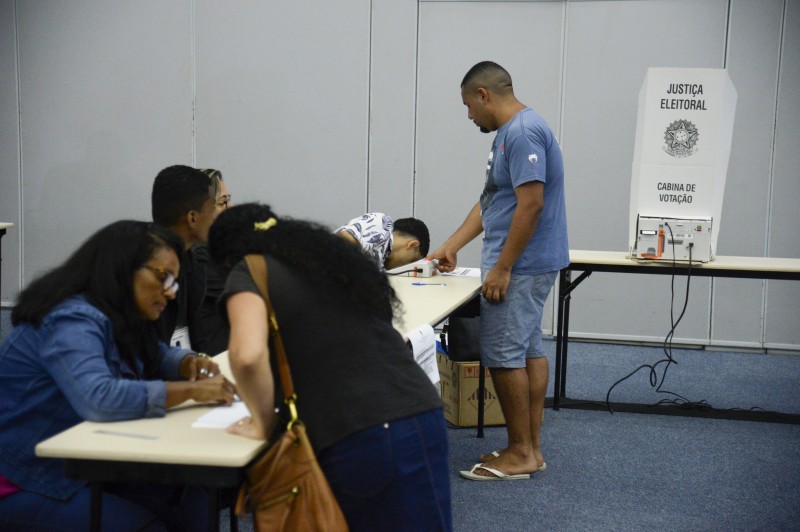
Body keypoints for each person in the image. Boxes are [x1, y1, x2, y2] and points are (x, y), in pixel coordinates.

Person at [208, 202, 452, 530]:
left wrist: (262, 423)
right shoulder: (335, 260)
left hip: (358, 433)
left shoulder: (250, 268)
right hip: (421, 411)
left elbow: (246, 356)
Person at [0, 220, 237, 530]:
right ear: (122, 269)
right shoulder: (71, 317)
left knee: (189, 500)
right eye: (162, 277)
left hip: (80, 465)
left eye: (174, 282)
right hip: (25, 478)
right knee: (145, 527)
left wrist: (187, 362)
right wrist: (191, 390)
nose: (170, 293)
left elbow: (154, 351)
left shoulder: (117, 313)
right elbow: (99, 399)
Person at [429, 61, 568, 481]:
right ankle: (529, 448)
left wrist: (503, 267)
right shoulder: (514, 133)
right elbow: (494, 201)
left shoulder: (522, 132)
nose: (469, 115)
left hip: (521, 265)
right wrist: (453, 245)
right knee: (528, 350)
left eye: (468, 105)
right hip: (527, 262)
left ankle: (521, 452)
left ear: (484, 95)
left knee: (505, 355)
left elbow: (531, 204)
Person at [151, 164, 218, 352]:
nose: (215, 217)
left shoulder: (192, 265)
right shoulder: (144, 273)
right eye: (212, 208)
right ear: (193, 218)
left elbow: (198, 339)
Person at [190, 168, 234, 355]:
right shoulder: (198, 257)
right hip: (218, 364)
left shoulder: (218, 251)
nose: (231, 207)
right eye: (223, 202)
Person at [335, 212, 430, 270]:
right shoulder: (383, 224)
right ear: (412, 245)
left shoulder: (382, 259)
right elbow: (343, 239)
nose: (405, 267)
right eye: (411, 261)